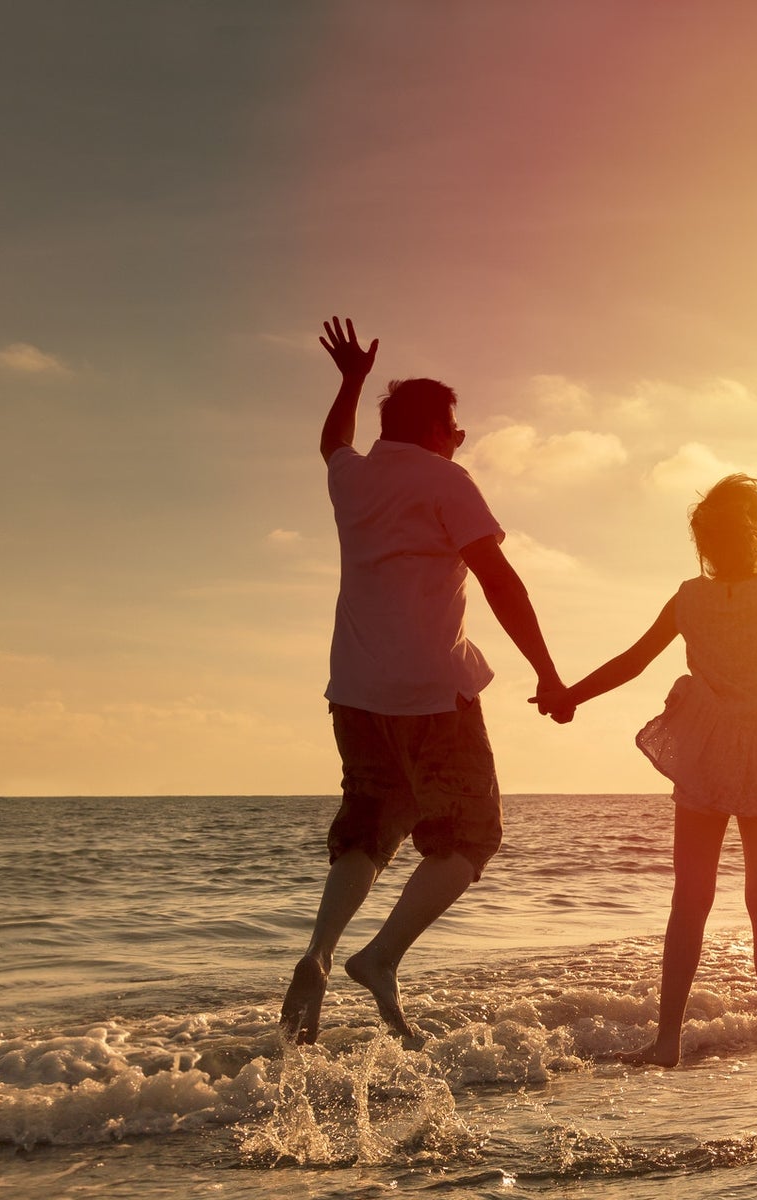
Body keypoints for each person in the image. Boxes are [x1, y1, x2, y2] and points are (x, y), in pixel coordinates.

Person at [531, 474, 757, 1080]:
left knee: (689, 899)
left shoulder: (688, 598)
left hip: (706, 747)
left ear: (704, 542)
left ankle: (668, 1039)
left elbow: (633, 660)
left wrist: (570, 695)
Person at [280, 317, 565, 1047]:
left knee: (371, 826)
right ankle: (380, 958)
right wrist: (548, 672)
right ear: (439, 429)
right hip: (433, 692)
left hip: (355, 690)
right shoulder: (447, 481)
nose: (461, 438)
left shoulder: (355, 477)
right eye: (457, 427)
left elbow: (330, 444)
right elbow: (501, 582)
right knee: (470, 834)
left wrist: (349, 382)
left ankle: (319, 948)